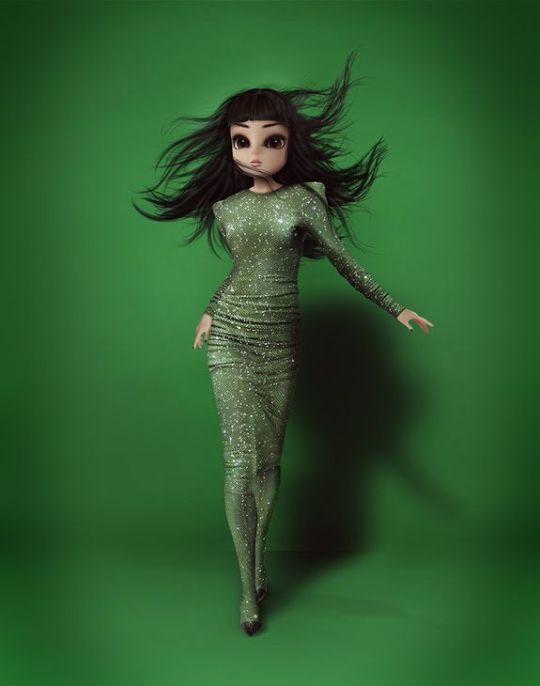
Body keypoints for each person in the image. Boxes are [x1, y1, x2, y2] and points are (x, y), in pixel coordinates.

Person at [133, 51, 434, 637]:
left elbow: (343, 261)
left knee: (268, 462)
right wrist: (209, 312)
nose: (255, 153)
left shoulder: (303, 200)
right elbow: (241, 270)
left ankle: (258, 557)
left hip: (280, 342)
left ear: (289, 143)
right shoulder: (225, 208)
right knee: (238, 461)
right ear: (230, 146)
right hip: (230, 337)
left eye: (270, 141)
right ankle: (248, 590)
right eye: (242, 141)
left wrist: (394, 306)